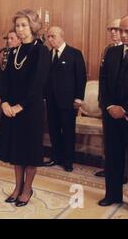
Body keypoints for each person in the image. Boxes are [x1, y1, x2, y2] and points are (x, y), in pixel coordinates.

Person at [0, 9, 50, 207]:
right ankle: (17, 187)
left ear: (33, 27)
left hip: (31, 110)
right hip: (11, 110)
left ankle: (27, 189)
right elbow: (4, 80)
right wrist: (5, 103)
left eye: (24, 25)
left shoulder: (41, 50)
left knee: (30, 152)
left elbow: (38, 83)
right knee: (16, 151)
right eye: (17, 25)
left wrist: (20, 106)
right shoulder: (11, 51)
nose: (20, 29)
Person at [98, 15, 128, 218]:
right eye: (121, 30)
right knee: (113, 159)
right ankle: (113, 195)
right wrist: (109, 106)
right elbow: (104, 83)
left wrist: (125, 109)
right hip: (112, 117)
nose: (122, 35)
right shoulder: (112, 52)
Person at [43, 26, 87, 172]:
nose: (50, 39)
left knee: (68, 131)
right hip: (51, 100)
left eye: (53, 36)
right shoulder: (48, 54)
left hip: (68, 101)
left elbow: (81, 78)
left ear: (62, 36)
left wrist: (79, 99)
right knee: (53, 130)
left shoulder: (74, 54)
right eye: (48, 37)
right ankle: (56, 157)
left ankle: (68, 161)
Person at [95, 18, 126, 178]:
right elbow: (104, 78)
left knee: (124, 143)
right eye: (111, 29)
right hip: (107, 104)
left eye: (116, 29)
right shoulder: (108, 50)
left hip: (125, 108)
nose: (113, 32)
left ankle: (123, 173)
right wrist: (104, 102)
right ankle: (111, 170)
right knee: (110, 141)